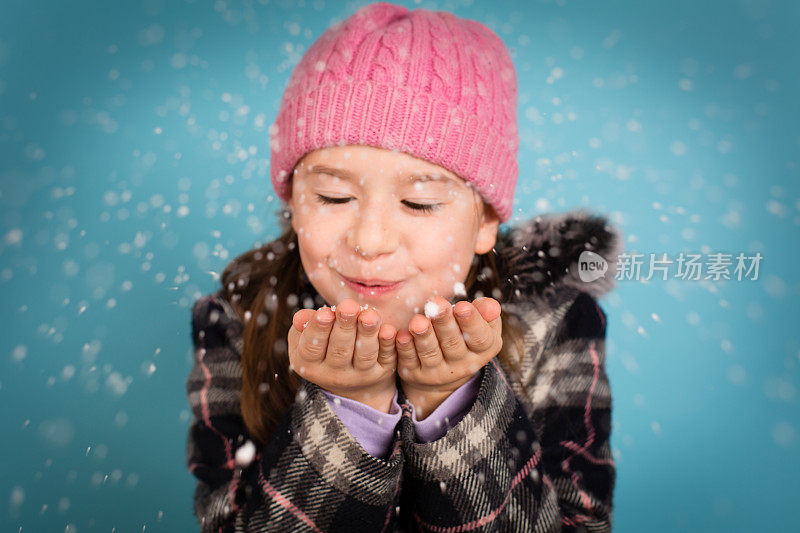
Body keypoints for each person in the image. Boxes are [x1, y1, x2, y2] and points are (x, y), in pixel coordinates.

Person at [185, 2, 622, 531]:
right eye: (332, 195)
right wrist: (350, 408)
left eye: (419, 204)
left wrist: (451, 405)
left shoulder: (553, 318)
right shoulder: (240, 317)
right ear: (293, 202)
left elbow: (580, 525)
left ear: (485, 220)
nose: (370, 241)